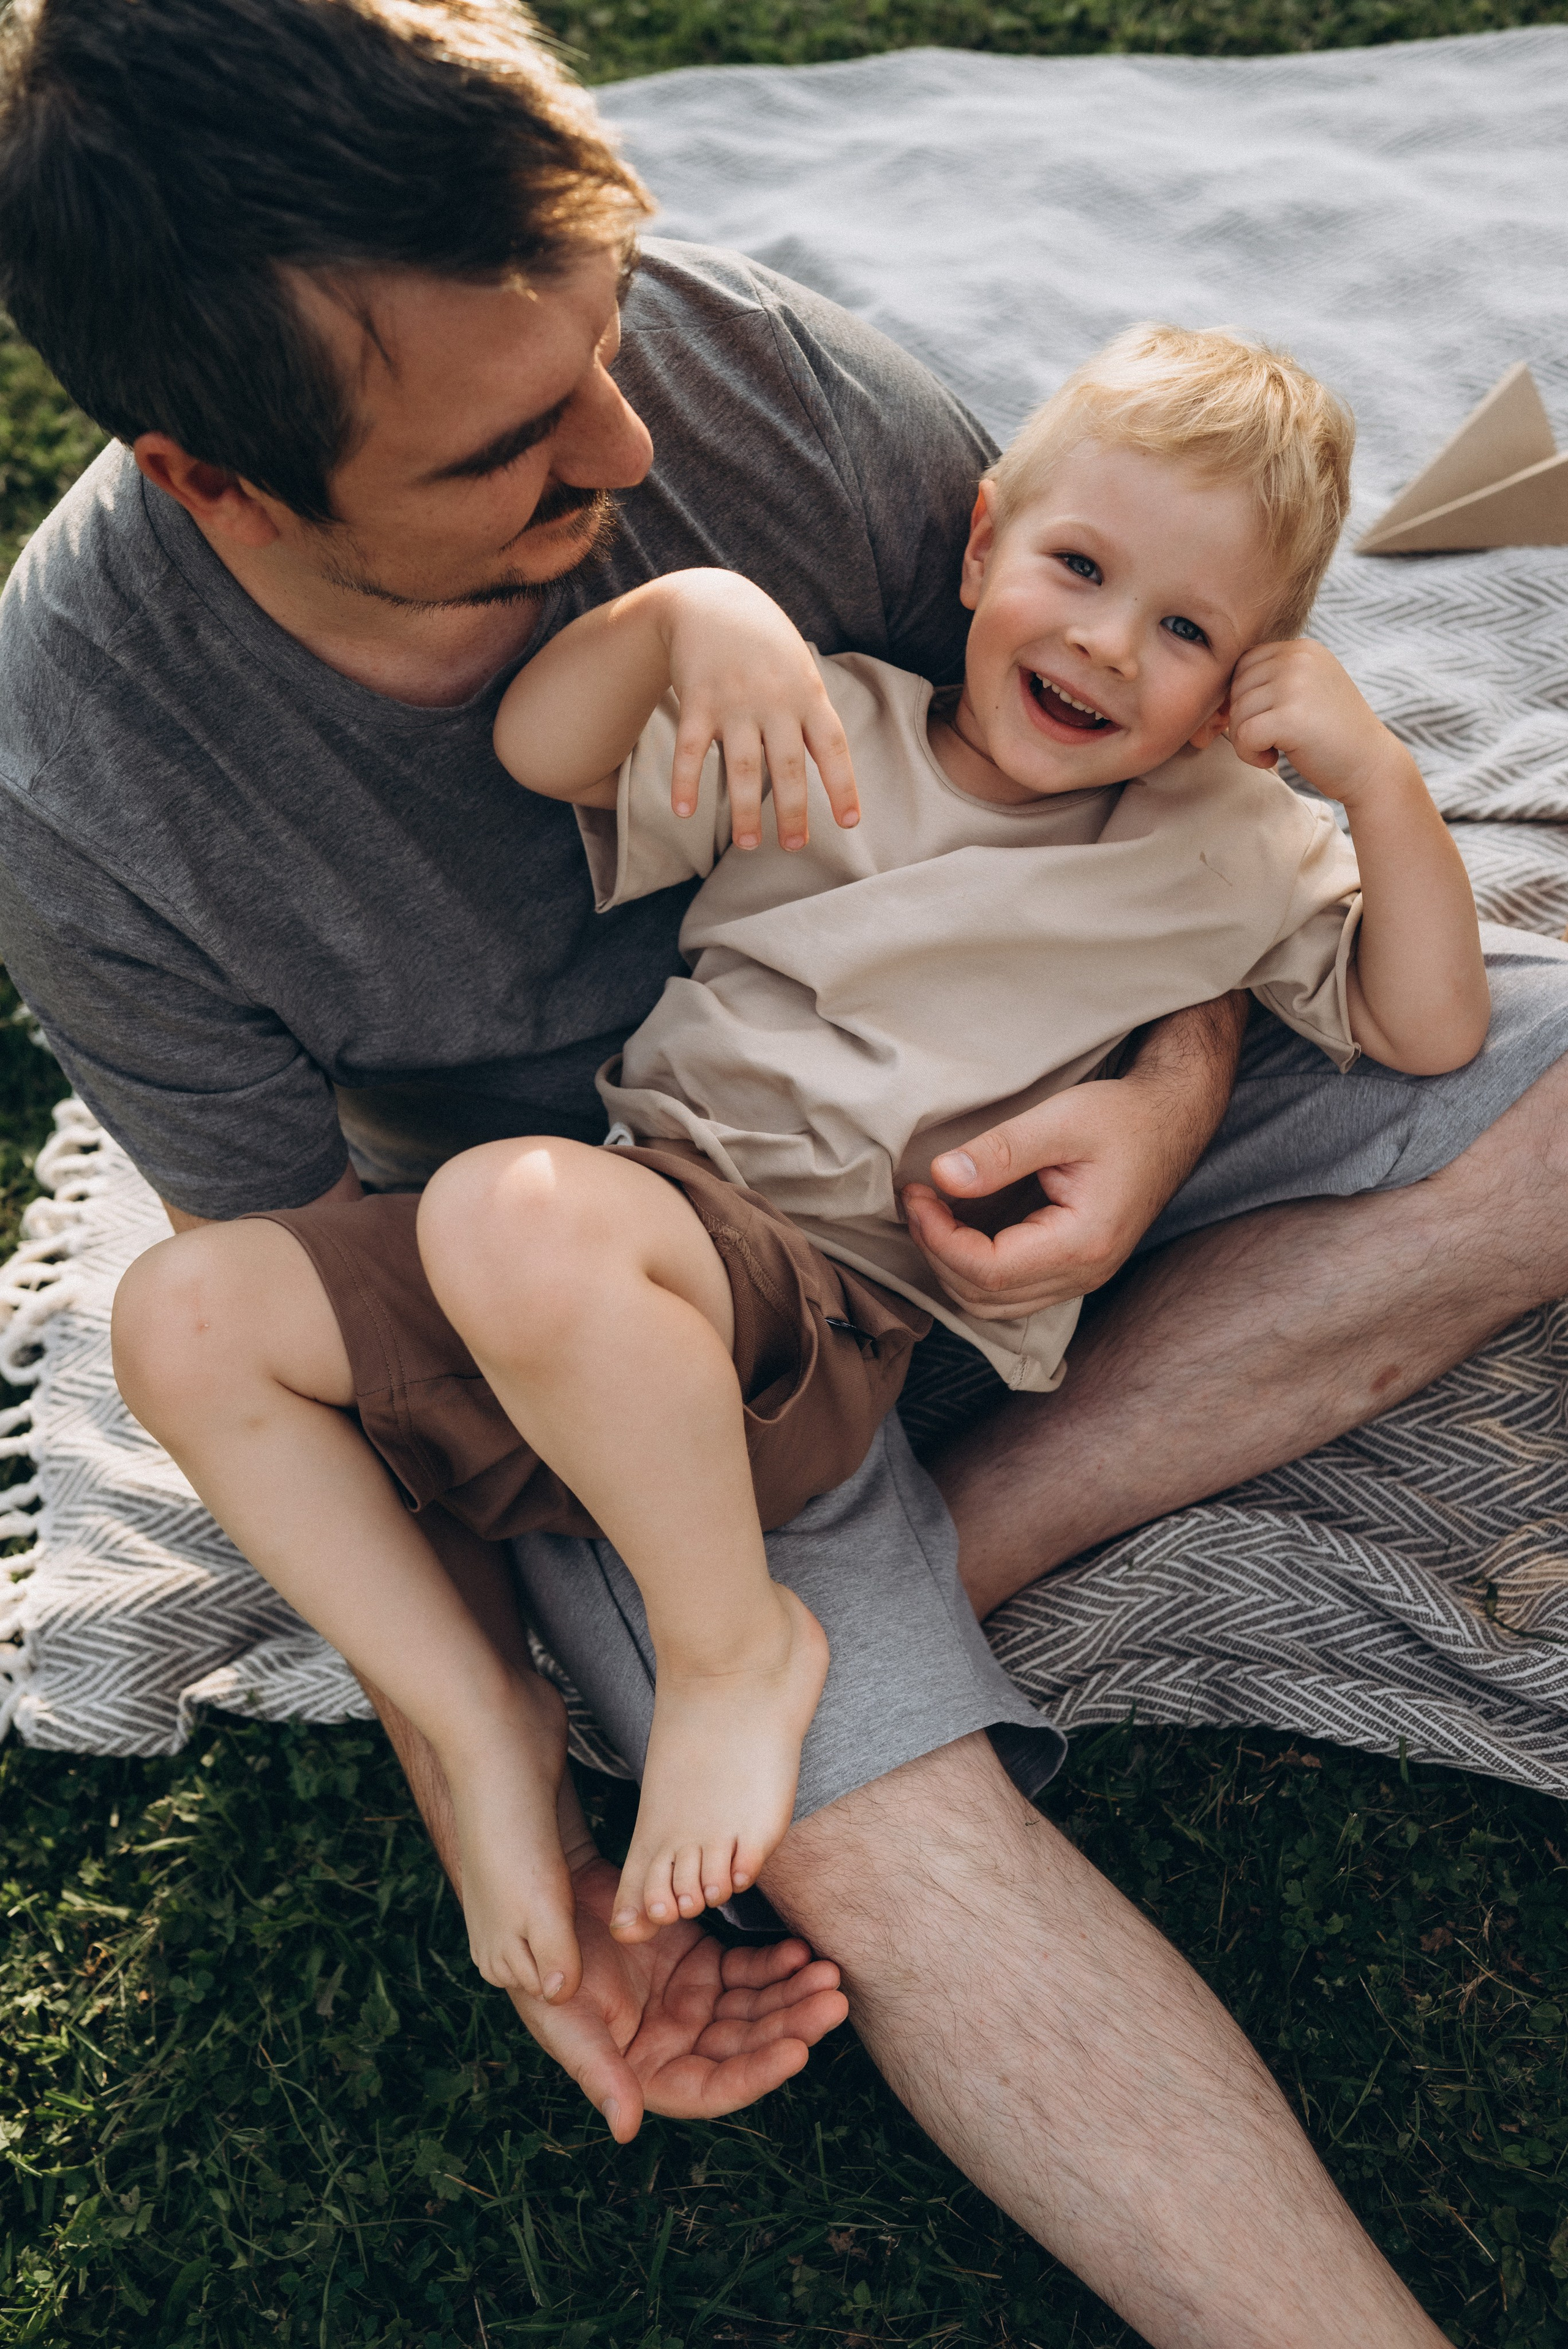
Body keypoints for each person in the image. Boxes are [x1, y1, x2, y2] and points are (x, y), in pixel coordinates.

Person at [0, 0, 1555, 2339]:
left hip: (1024, 1115)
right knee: (862, 1830)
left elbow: (1107, 807)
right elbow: (319, 1317)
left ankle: (998, 1525)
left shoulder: (743, 380)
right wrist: (486, 1761)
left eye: (608, 336)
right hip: (625, 1293)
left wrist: (1158, 1096)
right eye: (522, 453)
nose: (633, 443)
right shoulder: (84, 775)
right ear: (214, 476)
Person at [113, 323, 1492, 1991]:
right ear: (982, 546)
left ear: (1247, 679)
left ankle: (730, 1645)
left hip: (817, 1300)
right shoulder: (830, 722)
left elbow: (1425, 1028)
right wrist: (696, 619)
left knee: (506, 1205)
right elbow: (542, 751)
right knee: (179, 1312)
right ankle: (488, 1732)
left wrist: (1378, 778)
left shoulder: (1228, 845)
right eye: (1078, 567)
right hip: (627, 1253)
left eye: (1189, 629)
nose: (1112, 645)